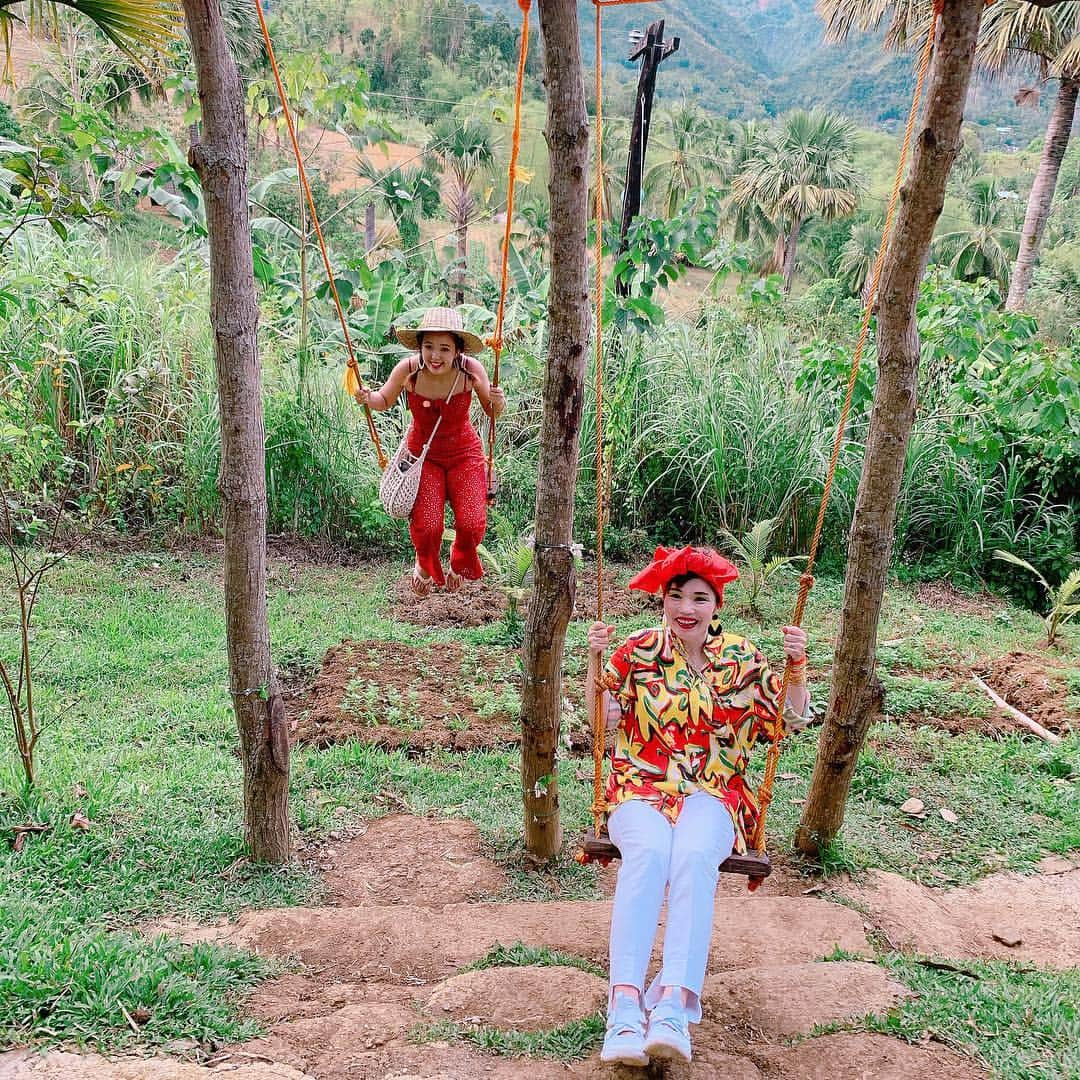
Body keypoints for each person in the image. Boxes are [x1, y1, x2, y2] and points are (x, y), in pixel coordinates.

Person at [584, 545, 810, 1067]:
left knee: (690, 857)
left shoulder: (742, 658)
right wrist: (595, 659)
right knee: (648, 857)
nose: (687, 607)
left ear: (716, 605)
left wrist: (796, 665)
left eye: (700, 598)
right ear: (663, 600)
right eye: (676, 595)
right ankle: (623, 1010)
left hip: (714, 791)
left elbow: (791, 718)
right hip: (639, 786)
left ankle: (672, 1006)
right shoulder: (637, 652)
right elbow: (603, 726)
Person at [356, 307, 506, 596]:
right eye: (429, 347)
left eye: (444, 348)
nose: (435, 356)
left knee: (472, 523)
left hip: (464, 453)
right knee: (427, 527)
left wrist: (498, 401)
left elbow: (492, 411)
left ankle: (458, 561)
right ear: (420, 346)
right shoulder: (408, 370)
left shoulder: (471, 370)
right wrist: (367, 397)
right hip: (423, 456)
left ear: (458, 350)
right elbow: (383, 399)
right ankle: (424, 564)